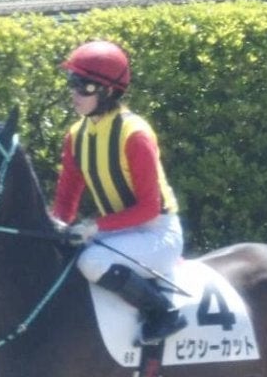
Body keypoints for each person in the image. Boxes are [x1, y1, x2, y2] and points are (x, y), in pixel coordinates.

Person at [51, 40, 187, 346]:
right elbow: (66, 200)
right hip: (117, 234)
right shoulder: (75, 135)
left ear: (108, 91)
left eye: (84, 86)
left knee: (91, 261)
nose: (74, 92)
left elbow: (148, 209)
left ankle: (163, 313)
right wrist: (56, 227)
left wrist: (94, 226)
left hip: (158, 233)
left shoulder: (135, 134)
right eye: (72, 82)